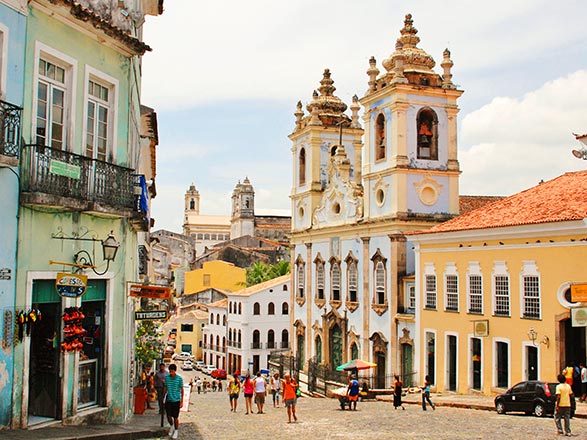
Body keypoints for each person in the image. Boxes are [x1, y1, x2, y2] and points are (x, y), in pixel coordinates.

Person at [163, 364, 184, 440]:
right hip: (169, 399)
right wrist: (163, 397)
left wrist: (181, 401)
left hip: (176, 400)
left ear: (175, 371)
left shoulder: (179, 379)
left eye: (172, 371)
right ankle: (171, 426)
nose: (171, 373)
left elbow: (182, 390)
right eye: (170, 371)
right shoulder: (167, 378)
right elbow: (165, 388)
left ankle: (176, 430)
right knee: (168, 416)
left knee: (175, 417)